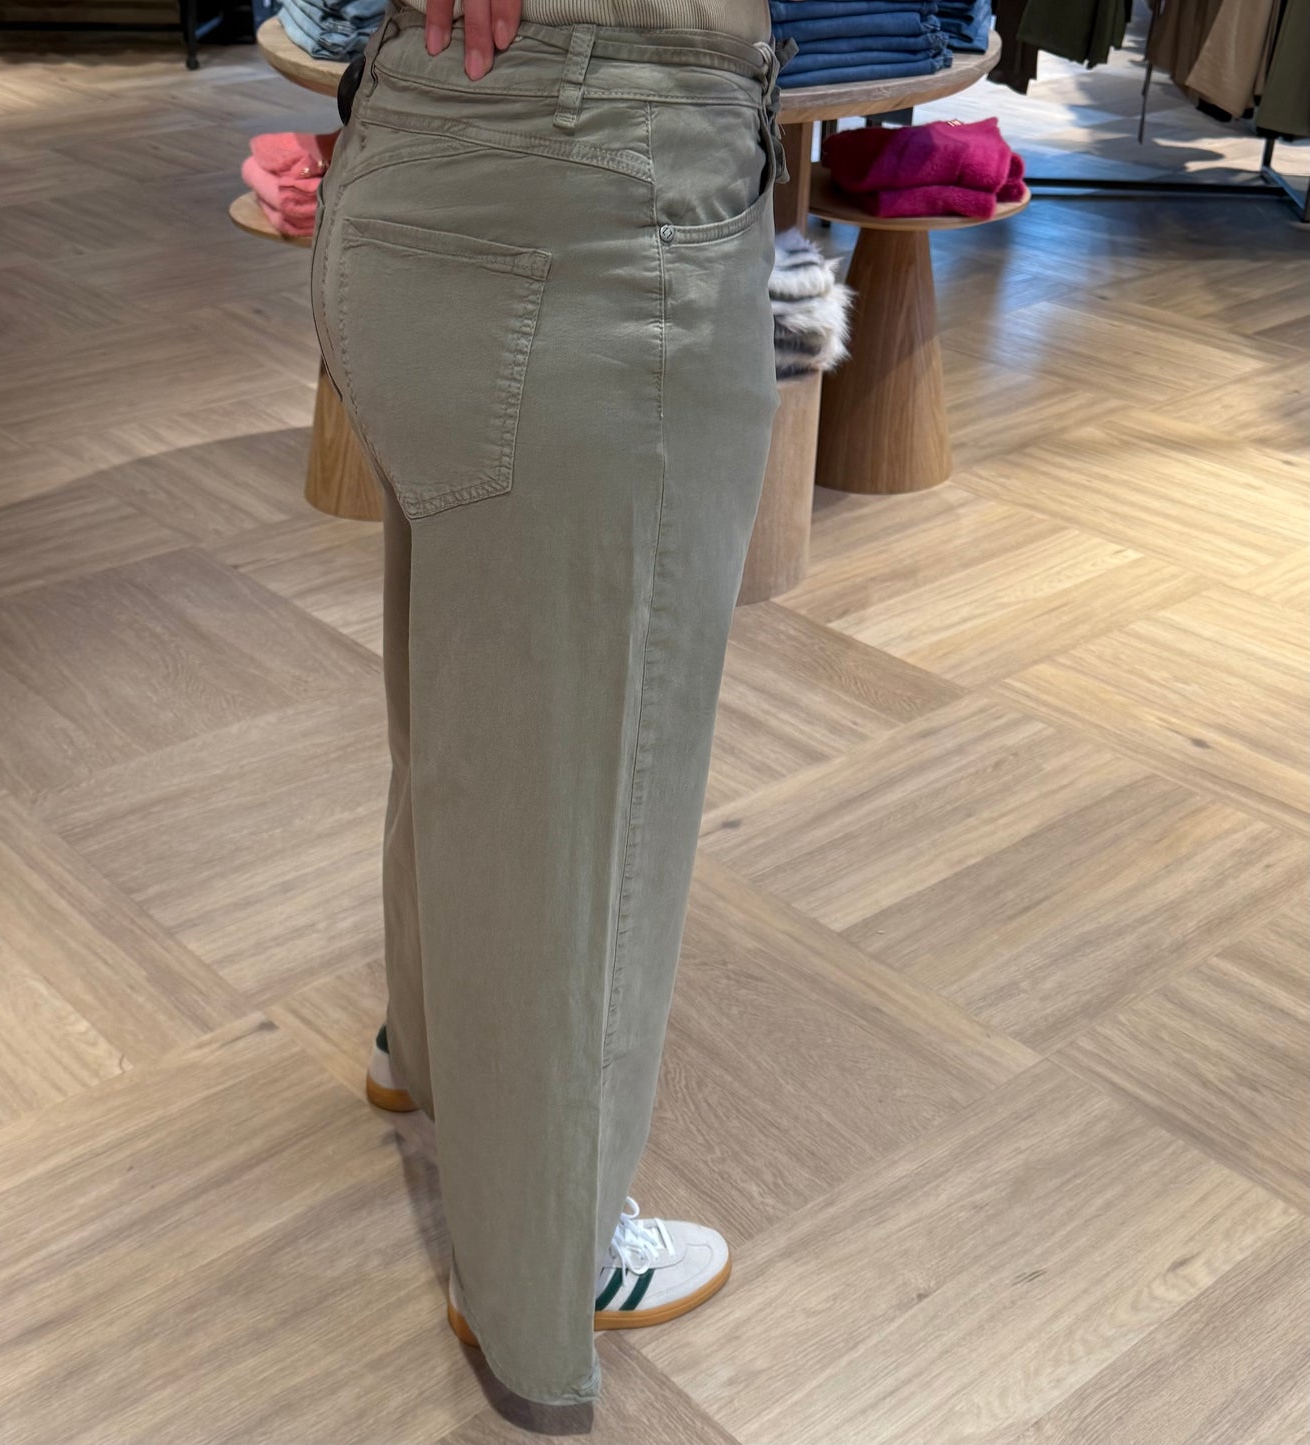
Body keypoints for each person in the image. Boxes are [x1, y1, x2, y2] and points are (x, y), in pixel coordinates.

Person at [310, 0, 785, 1407]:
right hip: (602, 180)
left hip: (423, 141)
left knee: (480, 688)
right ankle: (541, 1267)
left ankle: (428, 1047)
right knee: (593, 770)